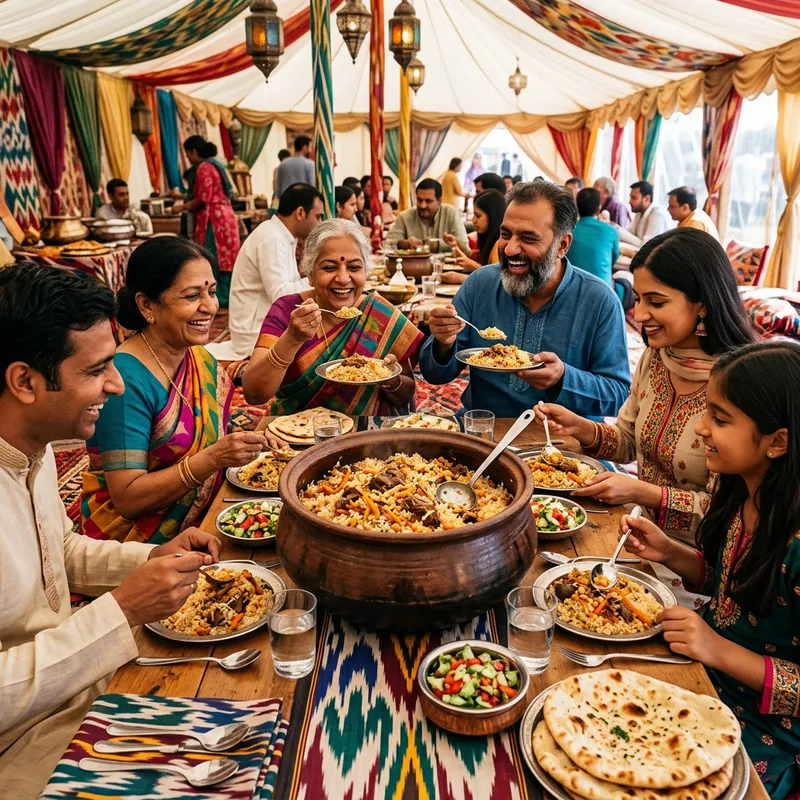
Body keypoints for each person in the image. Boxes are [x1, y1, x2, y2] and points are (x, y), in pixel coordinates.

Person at [0, 262, 221, 797]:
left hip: (69, 680)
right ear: (25, 381)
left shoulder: (36, 447)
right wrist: (121, 610)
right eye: (97, 370)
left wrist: (148, 560)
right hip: (19, 737)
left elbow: (59, 549)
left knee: (230, 713)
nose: (117, 383)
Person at [618, 341, 800, 797]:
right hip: (703, 670)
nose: (700, 429)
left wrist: (717, 650)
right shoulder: (743, 490)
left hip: (766, 725)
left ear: (777, 442)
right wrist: (671, 554)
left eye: (719, 419)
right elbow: (738, 590)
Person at [537, 226, 754, 539]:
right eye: (638, 299)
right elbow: (628, 442)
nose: (638, 314)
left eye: (656, 302)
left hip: (700, 558)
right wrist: (580, 427)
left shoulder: (739, 385)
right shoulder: (658, 358)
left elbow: (725, 512)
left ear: (703, 303)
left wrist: (642, 492)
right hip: (638, 531)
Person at [80, 238, 281, 542]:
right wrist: (213, 459)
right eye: (191, 296)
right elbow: (128, 499)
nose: (210, 307)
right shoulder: (125, 380)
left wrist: (255, 441)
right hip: (136, 540)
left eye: (212, 292)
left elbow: (212, 430)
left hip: (199, 510)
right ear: (147, 304)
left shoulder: (196, 356)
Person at [419, 180, 630, 418]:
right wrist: (444, 342)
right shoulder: (480, 284)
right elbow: (434, 375)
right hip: (485, 430)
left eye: (528, 238)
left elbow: (619, 396)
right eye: (505, 234)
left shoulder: (599, 301)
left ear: (562, 245)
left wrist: (564, 378)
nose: (509, 249)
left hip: (562, 443)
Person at [243, 219, 423, 415]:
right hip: (299, 434)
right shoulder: (288, 311)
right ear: (309, 274)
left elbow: (406, 394)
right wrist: (292, 339)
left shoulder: (379, 313)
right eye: (329, 268)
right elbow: (254, 394)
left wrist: (392, 381)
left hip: (368, 433)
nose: (343, 278)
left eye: (354, 267)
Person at [229, 184, 324, 358]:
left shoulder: (281, 235)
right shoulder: (271, 238)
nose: (319, 223)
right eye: (318, 217)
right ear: (300, 213)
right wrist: (319, 278)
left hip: (265, 324)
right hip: (253, 335)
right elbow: (281, 295)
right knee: (326, 347)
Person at [172, 136, 240, 308]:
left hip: (214, 220)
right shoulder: (217, 165)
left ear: (193, 152)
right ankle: (228, 297)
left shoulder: (204, 167)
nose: (189, 159)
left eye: (188, 155)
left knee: (213, 257)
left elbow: (203, 197)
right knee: (227, 258)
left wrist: (182, 207)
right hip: (225, 216)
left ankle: (221, 298)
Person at [385, 178, 469, 254]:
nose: (422, 205)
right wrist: (405, 243)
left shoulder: (451, 213)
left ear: (439, 201)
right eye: (419, 200)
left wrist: (432, 245)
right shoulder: (404, 216)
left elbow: (463, 245)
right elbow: (389, 243)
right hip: (413, 268)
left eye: (428, 201)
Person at [441, 189, 505, 284]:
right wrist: (456, 246)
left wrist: (465, 274)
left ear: (492, 216)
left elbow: (497, 280)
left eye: (478, 216)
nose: (473, 220)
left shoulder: (499, 244)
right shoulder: (488, 241)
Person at [567, 187, 620, 285]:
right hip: (603, 290)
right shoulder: (611, 231)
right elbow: (613, 259)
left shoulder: (568, 230)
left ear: (577, 207)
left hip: (571, 287)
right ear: (599, 208)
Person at [618, 180, 671, 247]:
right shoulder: (639, 212)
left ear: (646, 199)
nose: (630, 201)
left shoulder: (657, 214)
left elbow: (647, 246)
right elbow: (631, 234)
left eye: (634, 198)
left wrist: (618, 230)